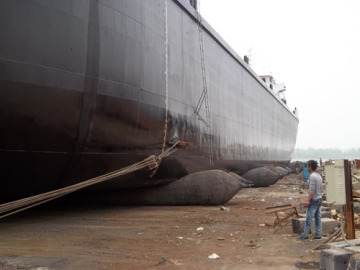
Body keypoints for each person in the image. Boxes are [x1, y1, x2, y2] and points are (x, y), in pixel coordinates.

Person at [298, 160, 323, 240]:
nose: (307, 168)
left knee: (309, 219)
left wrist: (308, 200)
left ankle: (305, 235)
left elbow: (312, 189)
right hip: (319, 198)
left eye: (307, 166)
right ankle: (318, 234)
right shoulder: (319, 176)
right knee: (318, 218)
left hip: (314, 199)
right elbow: (321, 187)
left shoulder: (312, 176)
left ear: (310, 167)